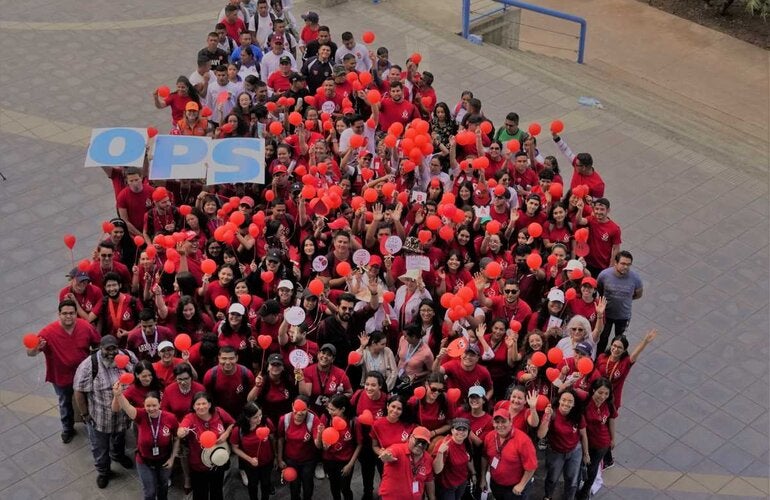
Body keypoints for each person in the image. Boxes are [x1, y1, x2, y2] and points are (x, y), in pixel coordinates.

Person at [26, 299, 101, 443]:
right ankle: (68, 428)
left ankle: (91, 424)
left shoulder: (85, 326)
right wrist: (36, 348)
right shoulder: (47, 332)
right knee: (65, 403)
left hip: (84, 376)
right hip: (61, 377)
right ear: (59, 314)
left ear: (75, 314)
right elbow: (30, 353)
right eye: (65, 313)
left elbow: (97, 343)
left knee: (89, 400)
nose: (68, 316)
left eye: (72, 313)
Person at [73, 335, 138, 488]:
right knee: (100, 448)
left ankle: (118, 455)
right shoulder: (89, 365)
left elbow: (138, 372)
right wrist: (85, 414)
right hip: (100, 419)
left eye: (114, 348)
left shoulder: (128, 357)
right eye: (107, 349)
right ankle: (103, 471)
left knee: (119, 440)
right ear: (100, 348)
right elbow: (79, 391)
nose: (111, 352)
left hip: (122, 418)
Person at [112, 385, 179, 500]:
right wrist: (118, 394)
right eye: (148, 406)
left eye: (154, 405)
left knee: (163, 487)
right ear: (144, 405)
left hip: (164, 461)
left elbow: (177, 438)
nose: (151, 409)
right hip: (144, 461)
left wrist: (172, 458)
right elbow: (127, 407)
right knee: (149, 492)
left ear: (160, 404)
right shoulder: (141, 415)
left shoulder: (170, 418)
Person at [178, 391, 235, 500]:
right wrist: (181, 432)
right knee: (200, 494)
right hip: (198, 466)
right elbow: (181, 429)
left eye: (204, 403)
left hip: (218, 462)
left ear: (209, 404)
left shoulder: (219, 412)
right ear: (193, 406)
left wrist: (226, 434)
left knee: (217, 491)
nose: (201, 407)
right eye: (198, 404)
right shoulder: (190, 418)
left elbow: (232, 423)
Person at [537, 389, 589, 500]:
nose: (566, 403)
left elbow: (583, 435)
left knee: (572, 480)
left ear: (574, 404)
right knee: (552, 478)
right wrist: (546, 417)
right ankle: (548, 496)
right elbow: (541, 435)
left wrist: (586, 453)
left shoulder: (578, 416)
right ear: (559, 400)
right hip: (556, 452)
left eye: (570, 401)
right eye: (564, 400)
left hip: (574, 451)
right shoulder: (552, 413)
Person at [479, 406, 537, 500]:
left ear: (510, 422)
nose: (500, 425)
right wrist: (483, 478)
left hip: (515, 488)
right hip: (496, 484)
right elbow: (485, 457)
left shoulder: (523, 440)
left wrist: (521, 485)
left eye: (503, 421)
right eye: (497, 422)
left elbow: (531, 466)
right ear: (493, 423)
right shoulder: (489, 437)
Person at [596, 250, 643, 354]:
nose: (626, 267)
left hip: (623, 316)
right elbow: (599, 289)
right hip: (606, 314)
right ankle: (599, 358)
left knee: (620, 340)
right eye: (623, 263)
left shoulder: (635, 278)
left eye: (628, 264)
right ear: (615, 263)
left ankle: (616, 360)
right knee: (603, 337)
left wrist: (626, 299)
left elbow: (638, 294)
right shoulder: (604, 275)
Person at [577, 378, 616, 500]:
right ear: (593, 390)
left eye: (606, 393)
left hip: (602, 443)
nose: (602, 396)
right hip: (586, 441)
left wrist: (613, 438)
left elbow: (612, 420)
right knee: (582, 465)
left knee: (592, 469)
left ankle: (585, 491)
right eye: (600, 392)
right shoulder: (585, 403)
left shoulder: (608, 404)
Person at [317, 394, 361, 500]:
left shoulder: (353, 422)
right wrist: (320, 436)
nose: (330, 412)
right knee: (334, 486)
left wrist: (350, 465)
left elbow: (359, 444)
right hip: (329, 460)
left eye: (333, 409)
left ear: (343, 409)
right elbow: (320, 446)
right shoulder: (325, 418)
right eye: (328, 408)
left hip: (345, 461)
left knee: (345, 488)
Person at [277, 397, 321, 500]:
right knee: (294, 486)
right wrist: (279, 459)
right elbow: (280, 439)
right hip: (291, 459)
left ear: (308, 408)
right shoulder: (284, 419)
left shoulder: (313, 419)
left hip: (308, 460)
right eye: (296, 410)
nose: (299, 414)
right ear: (292, 406)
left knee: (307, 484)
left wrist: (319, 434)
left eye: (303, 410)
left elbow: (318, 445)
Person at [231, 401, 275, 500]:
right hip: (250, 464)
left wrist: (276, 456)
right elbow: (235, 448)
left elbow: (273, 438)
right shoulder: (238, 430)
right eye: (255, 417)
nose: (259, 418)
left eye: (260, 414)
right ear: (247, 417)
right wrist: (250, 459)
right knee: (252, 485)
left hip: (267, 461)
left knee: (266, 483)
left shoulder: (266, 422)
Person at [378, 426, 436, 500]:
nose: (420, 445)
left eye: (424, 443)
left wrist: (432, 497)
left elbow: (429, 481)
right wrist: (386, 456)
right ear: (411, 437)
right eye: (418, 440)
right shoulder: (397, 449)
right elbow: (390, 452)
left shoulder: (428, 459)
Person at [203, 346, 256, 420]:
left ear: (237, 358)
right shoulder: (210, 375)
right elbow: (206, 399)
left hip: (241, 416)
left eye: (231, 358)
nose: (227, 362)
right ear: (219, 358)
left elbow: (253, 398)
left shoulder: (246, 374)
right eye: (224, 358)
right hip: (218, 416)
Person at [297, 343, 353, 414]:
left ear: (333, 359)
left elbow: (349, 393)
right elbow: (306, 394)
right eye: (323, 353)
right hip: (313, 411)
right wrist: (300, 378)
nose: (325, 356)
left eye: (329, 355)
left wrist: (334, 400)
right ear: (318, 355)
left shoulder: (340, 373)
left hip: (332, 411)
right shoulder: (308, 370)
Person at [432, 418, 475, 500]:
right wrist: (440, 453)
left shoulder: (466, 442)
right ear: (452, 430)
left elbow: (469, 458)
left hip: (462, 483)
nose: (461, 432)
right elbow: (437, 470)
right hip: (447, 487)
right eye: (458, 429)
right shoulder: (444, 444)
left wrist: (473, 473)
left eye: (464, 429)